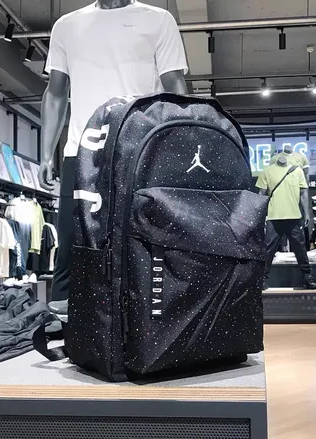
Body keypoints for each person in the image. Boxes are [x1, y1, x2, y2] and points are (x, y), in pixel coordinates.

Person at [38, 0, 189, 314]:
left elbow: (176, 87)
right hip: (82, 149)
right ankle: (65, 323)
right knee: (70, 243)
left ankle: (141, 323)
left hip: (139, 147)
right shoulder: (67, 25)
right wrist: (46, 154)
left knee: (141, 241)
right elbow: (55, 92)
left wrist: (178, 144)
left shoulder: (158, 20)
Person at [257, 156, 316, 291]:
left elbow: (303, 193)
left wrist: (307, 213)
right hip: (273, 216)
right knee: (268, 249)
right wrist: (260, 214)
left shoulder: (297, 171)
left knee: (300, 248)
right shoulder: (267, 171)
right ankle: (262, 279)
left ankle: (307, 277)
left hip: (294, 216)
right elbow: (261, 194)